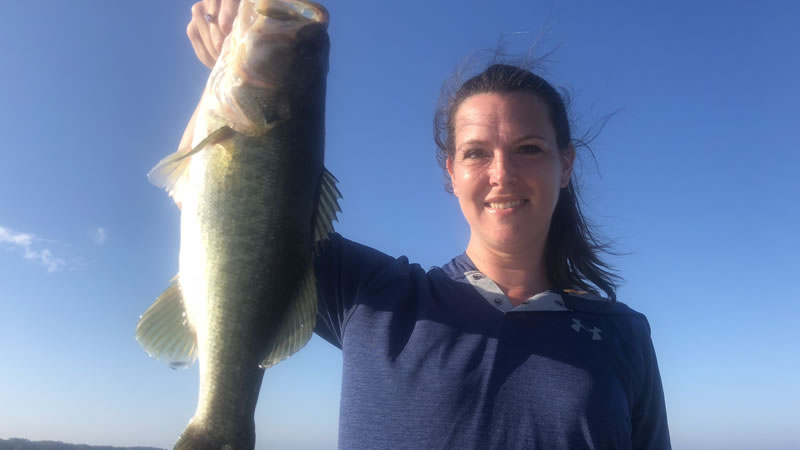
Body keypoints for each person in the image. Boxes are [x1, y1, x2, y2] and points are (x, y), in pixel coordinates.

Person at [187, 1, 671, 448]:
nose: (501, 174)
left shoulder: (625, 335)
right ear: (452, 173)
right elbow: (235, 209)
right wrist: (237, 68)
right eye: (476, 153)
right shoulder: (366, 293)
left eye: (529, 149)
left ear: (564, 166)